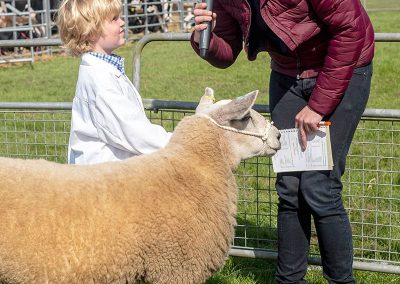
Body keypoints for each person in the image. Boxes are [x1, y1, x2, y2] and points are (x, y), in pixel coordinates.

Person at [191, 0, 374, 283]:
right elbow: (226, 52)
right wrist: (206, 35)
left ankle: (341, 280)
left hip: (342, 68)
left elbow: (350, 30)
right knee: (289, 186)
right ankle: (288, 280)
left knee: (319, 186)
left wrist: (319, 105)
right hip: (288, 75)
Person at [56, 0, 172, 165]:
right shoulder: (100, 80)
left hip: (105, 175)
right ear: (91, 31)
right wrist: (178, 143)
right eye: (114, 19)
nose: (122, 22)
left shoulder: (102, 71)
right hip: (104, 179)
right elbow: (133, 132)